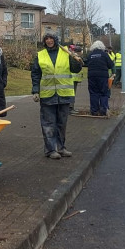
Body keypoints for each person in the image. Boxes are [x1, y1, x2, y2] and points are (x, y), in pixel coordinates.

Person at [30, 31, 83, 159]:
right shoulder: (40, 55)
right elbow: (36, 74)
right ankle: (50, 150)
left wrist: (77, 61)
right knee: (48, 123)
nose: (49, 41)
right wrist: (35, 90)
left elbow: (75, 69)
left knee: (61, 123)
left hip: (64, 94)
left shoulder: (65, 53)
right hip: (47, 95)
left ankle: (61, 148)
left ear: (55, 39)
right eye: (46, 39)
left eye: (51, 38)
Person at [85, 40, 114, 116]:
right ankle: (103, 110)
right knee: (104, 93)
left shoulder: (90, 55)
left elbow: (85, 63)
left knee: (93, 93)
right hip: (102, 76)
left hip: (92, 76)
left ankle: (94, 111)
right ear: (102, 47)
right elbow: (111, 65)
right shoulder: (104, 54)